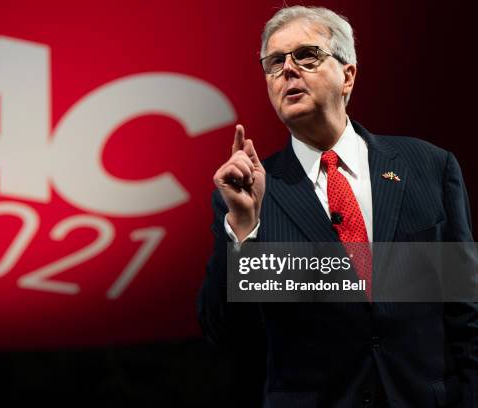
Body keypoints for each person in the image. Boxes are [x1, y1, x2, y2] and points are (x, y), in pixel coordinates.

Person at [197, 6, 477, 408]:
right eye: (274, 62)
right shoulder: (249, 195)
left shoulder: (429, 167)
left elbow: (465, 310)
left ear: (348, 75)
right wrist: (243, 232)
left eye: (306, 55)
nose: (288, 70)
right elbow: (227, 334)